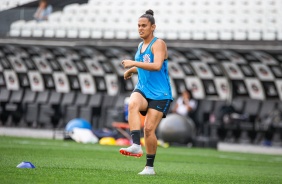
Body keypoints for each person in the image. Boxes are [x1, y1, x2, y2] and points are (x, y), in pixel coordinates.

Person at [119, 9, 173, 175]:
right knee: (133, 102)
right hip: (143, 88)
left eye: (144, 26)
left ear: (153, 27)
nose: (140, 28)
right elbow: (145, 64)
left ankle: (149, 168)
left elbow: (156, 65)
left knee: (149, 130)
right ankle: (136, 144)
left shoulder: (159, 44)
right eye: (138, 25)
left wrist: (133, 64)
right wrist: (132, 70)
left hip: (160, 94)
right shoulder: (140, 45)